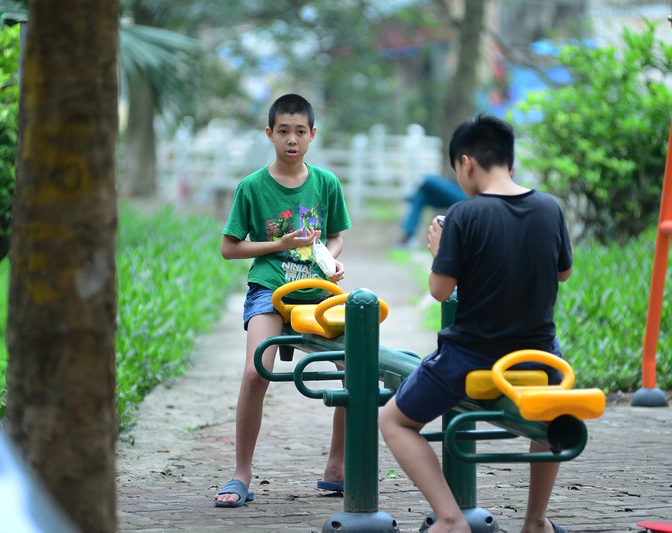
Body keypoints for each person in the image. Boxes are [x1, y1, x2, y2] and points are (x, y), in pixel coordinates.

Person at [379, 114, 573, 533]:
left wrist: (440, 250)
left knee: (394, 420)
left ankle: (450, 519)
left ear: (466, 163)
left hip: (470, 358)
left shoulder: (464, 214)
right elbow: (562, 273)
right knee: (550, 419)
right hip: (541, 359)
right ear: (510, 162)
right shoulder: (549, 208)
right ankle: (536, 521)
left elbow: (439, 289)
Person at [214, 93, 351, 507]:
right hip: (268, 290)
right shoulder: (252, 187)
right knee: (256, 373)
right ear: (270, 134)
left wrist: (331, 260)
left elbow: (336, 236)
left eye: (301, 132)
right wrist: (279, 244)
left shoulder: (326, 183)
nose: (292, 140)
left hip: (318, 293)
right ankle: (241, 474)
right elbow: (229, 248)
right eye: (284, 132)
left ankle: (336, 467)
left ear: (312, 135)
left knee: (354, 370)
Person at [397, 174, 466, 248]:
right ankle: (408, 237)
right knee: (420, 197)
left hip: (464, 196)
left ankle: (412, 197)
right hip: (453, 190)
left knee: (429, 179)